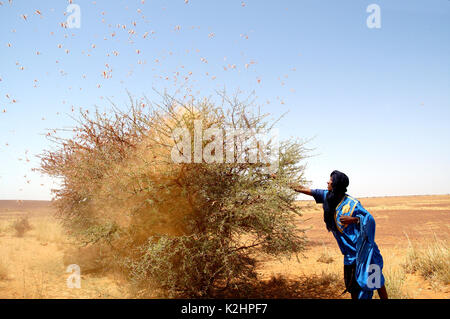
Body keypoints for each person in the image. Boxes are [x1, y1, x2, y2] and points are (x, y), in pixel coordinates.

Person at [291, 170, 388, 299]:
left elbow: (369, 220)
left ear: (336, 184)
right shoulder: (327, 196)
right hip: (349, 256)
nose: (327, 182)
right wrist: (282, 180)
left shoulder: (352, 204)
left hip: (365, 253)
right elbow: (305, 190)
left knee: (376, 282)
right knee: (353, 288)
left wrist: (354, 219)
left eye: (330, 180)